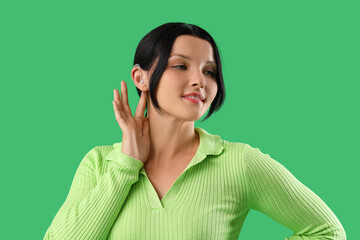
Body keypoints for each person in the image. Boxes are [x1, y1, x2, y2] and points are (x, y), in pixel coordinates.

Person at [43, 22, 346, 240]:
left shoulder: (238, 162)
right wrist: (126, 165)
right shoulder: (100, 163)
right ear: (140, 77)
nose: (200, 81)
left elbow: (328, 232)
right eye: (180, 66)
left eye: (209, 71)